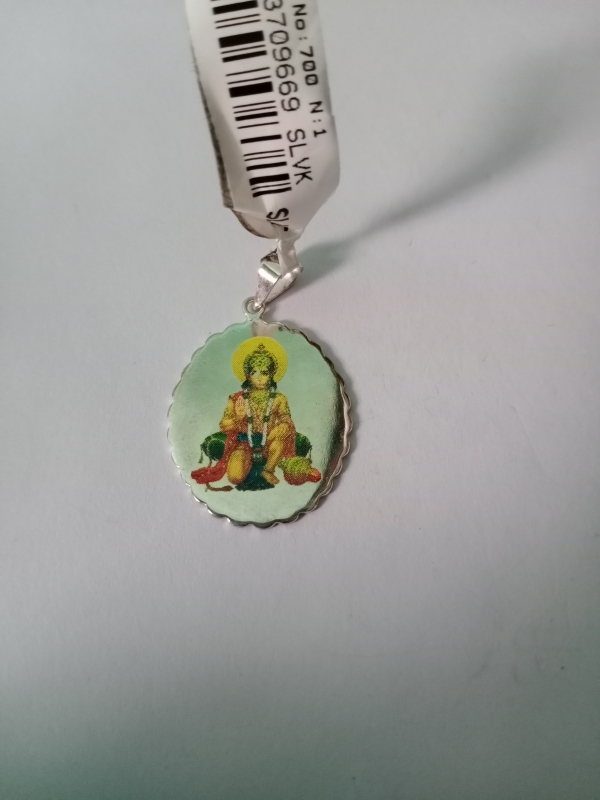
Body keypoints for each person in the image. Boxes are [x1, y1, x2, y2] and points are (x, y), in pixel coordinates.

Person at [191, 339, 321, 491]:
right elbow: (224, 426)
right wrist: (238, 418)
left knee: (282, 434)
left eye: (264, 373)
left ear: (271, 375)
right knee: (234, 477)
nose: (259, 378)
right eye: (255, 373)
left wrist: (282, 426)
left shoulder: (279, 399)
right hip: (244, 443)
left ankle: (268, 470)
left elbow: (286, 420)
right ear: (247, 375)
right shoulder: (236, 399)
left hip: (269, 442)